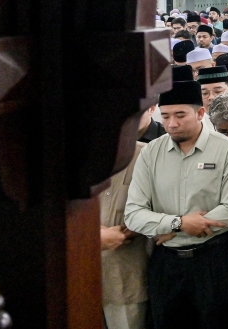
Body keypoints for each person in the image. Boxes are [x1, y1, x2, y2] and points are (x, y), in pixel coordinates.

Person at [123, 80, 228, 329]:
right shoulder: (150, 153)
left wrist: (175, 225)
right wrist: (179, 223)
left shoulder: (227, 150)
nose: (171, 123)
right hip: (166, 262)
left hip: (211, 260)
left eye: (180, 115)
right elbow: (134, 214)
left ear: (200, 113)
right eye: (165, 116)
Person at [101, 136, 150, 329]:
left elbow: (162, 206)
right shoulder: (66, 155)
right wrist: (94, 236)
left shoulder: (147, 154)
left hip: (124, 275)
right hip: (78, 274)